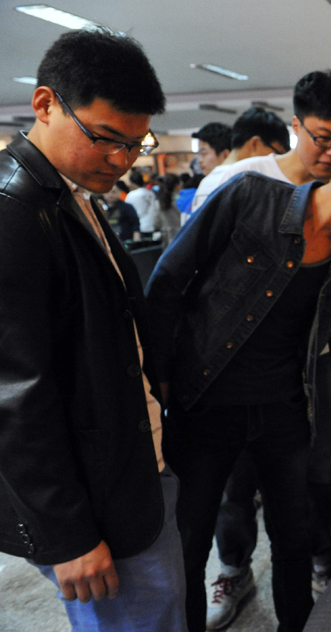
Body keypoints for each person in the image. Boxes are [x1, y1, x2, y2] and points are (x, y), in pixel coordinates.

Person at [145, 133, 331, 632]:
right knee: (190, 543)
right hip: (205, 405)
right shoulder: (249, 197)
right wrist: (160, 381)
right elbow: (166, 282)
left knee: (294, 539)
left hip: (285, 411)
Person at [0, 28, 185, 631]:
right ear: (46, 104)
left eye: (135, 144)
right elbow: (14, 395)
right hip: (90, 500)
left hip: (125, 467)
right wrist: (66, 533)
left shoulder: (65, 192)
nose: (121, 160)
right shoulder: (13, 210)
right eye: (105, 138)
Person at [194, 70, 331, 631]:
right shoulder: (238, 182)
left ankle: (319, 564)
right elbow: (188, 281)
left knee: (312, 487)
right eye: (323, 138)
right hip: (230, 378)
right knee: (234, 489)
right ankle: (233, 570)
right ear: (296, 126)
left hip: (307, 380)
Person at [187, 107, 291, 220]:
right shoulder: (241, 181)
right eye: (277, 153)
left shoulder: (209, 181)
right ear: (255, 144)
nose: (277, 160)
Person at [152, 173, 182, 248]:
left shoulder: (159, 202)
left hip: (167, 239)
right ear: (177, 185)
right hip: (181, 237)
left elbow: (156, 223)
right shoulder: (179, 200)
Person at [126, 168, 158, 233]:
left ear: (132, 182)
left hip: (138, 227)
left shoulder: (131, 195)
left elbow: (128, 212)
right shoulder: (150, 193)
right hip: (152, 224)